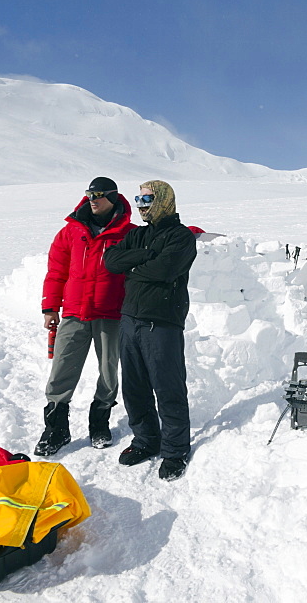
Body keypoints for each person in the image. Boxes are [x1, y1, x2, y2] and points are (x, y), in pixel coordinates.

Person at [103, 180, 197, 481]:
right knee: (134, 388)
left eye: (147, 198)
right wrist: (145, 257)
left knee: (168, 388)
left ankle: (175, 450)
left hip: (163, 323)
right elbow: (111, 261)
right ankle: (146, 440)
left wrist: (135, 267)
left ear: (164, 200)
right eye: (138, 199)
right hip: (130, 320)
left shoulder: (181, 237)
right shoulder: (138, 234)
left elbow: (166, 270)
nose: (142, 204)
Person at [36, 177, 135, 457]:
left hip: (111, 314)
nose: (93, 199)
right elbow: (56, 272)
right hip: (74, 314)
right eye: (90, 194)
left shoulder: (128, 233)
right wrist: (49, 308)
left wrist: (192, 233)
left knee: (108, 371)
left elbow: (156, 241)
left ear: (113, 198)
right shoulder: (70, 232)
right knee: (61, 371)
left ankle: (99, 423)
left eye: (100, 194)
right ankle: (56, 428)